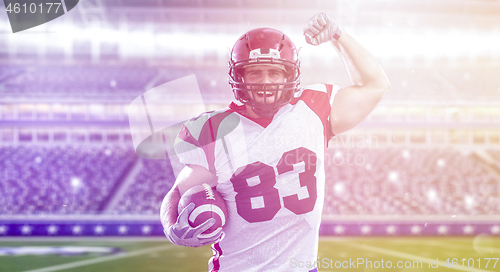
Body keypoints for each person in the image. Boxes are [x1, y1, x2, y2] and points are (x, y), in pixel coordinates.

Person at [160, 13, 390, 272]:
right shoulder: (214, 130)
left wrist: (338, 36)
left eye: (274, 72)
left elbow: (375, 84)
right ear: (239, 76)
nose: (266, 82)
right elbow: (177, 193)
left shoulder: (315, 109)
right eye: (255, 73)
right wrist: (171, 227)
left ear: (290, 75)